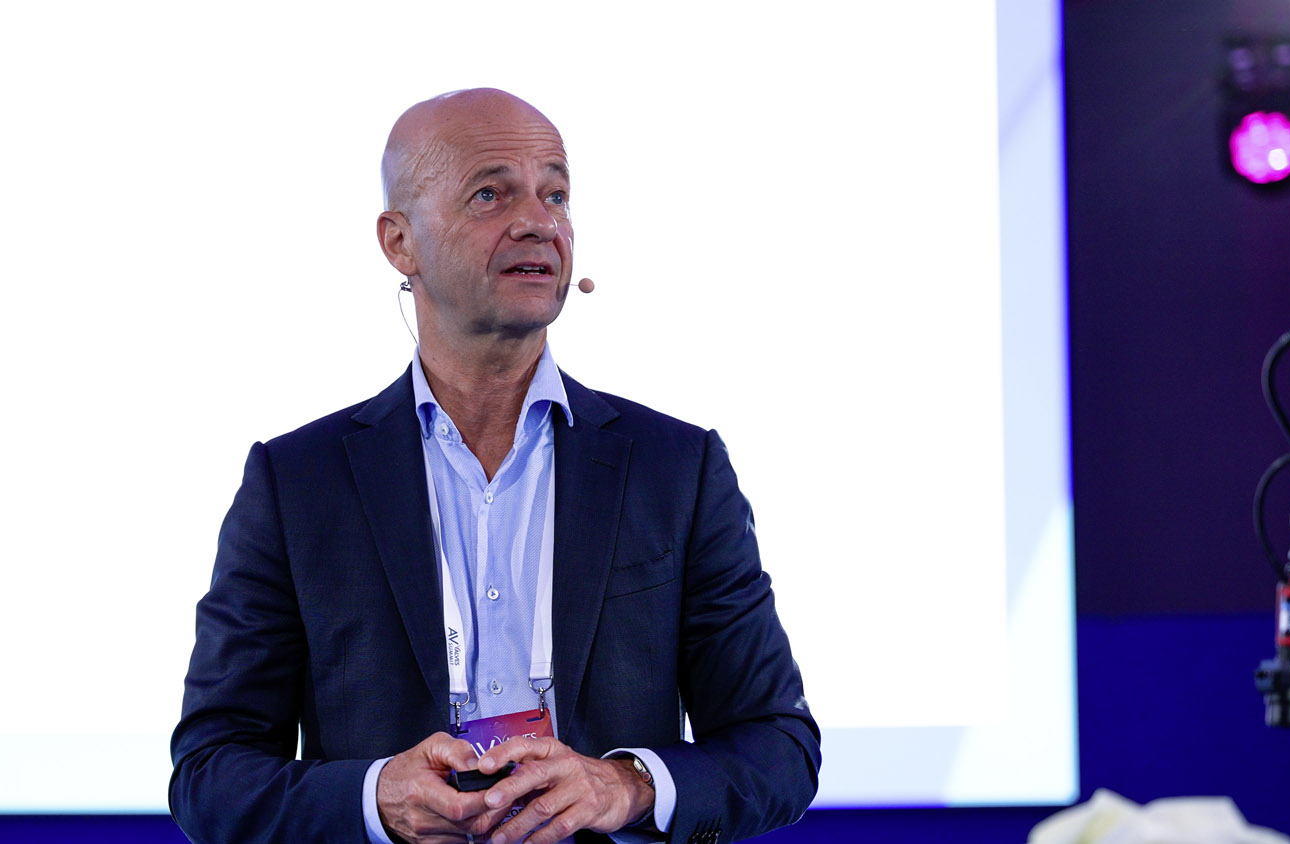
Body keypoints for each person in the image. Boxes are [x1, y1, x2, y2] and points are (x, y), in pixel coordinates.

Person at [169, 88, 820, 844]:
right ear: (399, 243)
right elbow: (209, 776)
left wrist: (626, 785)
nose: (540, 222)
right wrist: (376, 799)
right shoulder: (295, 485)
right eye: (491, 194)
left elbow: (779, 747)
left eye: (556, 195)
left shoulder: (677, 469)